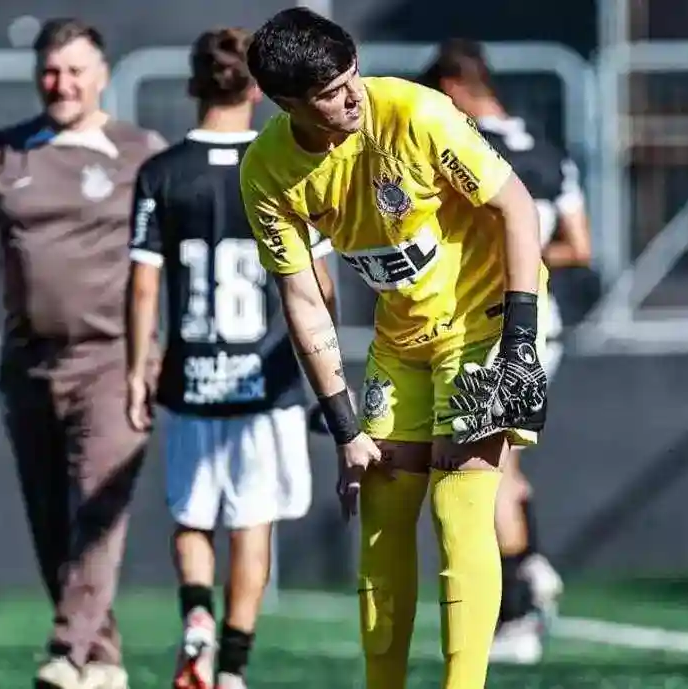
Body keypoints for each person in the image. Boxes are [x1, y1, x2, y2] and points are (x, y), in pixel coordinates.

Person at [239, 9, 550, 689]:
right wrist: (345, 425)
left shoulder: (416, 112)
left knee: (459, 501)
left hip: (485, 319)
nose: (354, 97)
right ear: (287, 103)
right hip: (401, 338)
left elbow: (517, 207)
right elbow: (301, 298)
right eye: (331, 92)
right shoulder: (266, 170)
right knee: (381, 515)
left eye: (354, 77)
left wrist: (519, 347)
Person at [0, 17, 165, 689]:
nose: (61, 84)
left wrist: (170, 346)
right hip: (27, 362)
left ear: (103, 74)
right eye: (50, 72)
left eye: (75, 71)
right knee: (52, 519)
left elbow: (177, 253)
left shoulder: (140, 151)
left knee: (96, 506)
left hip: (115, 359)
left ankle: (65, 649)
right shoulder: (5, 152)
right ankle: (103, 658)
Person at [125, 27, 337, 689]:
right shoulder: (292, 162)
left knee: (192, 516)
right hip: (266, 378)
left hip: (191, 376)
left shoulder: (161, 171)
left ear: (194, 83)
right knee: (252, 523)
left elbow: (142, 283)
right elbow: (321, 287)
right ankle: (235, 668)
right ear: (258, 87)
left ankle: (197, 618)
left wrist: (140, 366)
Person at [420, 38, 593, 665]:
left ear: (451, 87)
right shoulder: (550, 153)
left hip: (492, 324)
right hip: (544, 326)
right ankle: (534, 567)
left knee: (483, 472)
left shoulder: (466, 151)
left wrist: (503, 263)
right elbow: (581, 246)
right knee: (504, 465)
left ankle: (518, 610)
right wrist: (532, 262)